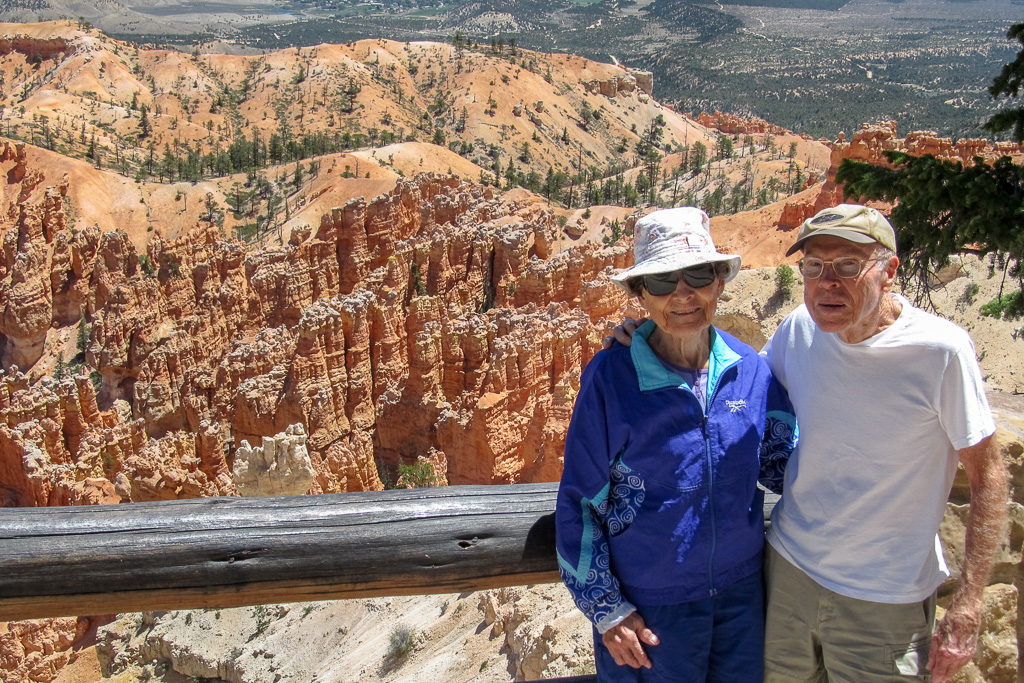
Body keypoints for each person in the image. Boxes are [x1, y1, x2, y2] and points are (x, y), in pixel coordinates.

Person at [612, 203, 1008, 682]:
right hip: (788, 577)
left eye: (847, 266)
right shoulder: (800, 328)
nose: (827, 283)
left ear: (889, 272)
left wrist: (969, 600)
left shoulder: (940, 352)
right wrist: (649, 336)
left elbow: (990, 476)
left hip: (884, 599)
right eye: (814, 267)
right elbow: (732, 388)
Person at [556, 207, 797, 682]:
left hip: (742, 600)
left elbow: (787, 467)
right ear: (640, 294)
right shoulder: (611, 380)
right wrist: (608, 612)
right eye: (663, 281)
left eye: (698, 275)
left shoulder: (750, 371)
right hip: (650, 612)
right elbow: (580, 502)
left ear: (719, 282)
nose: (683, 294)